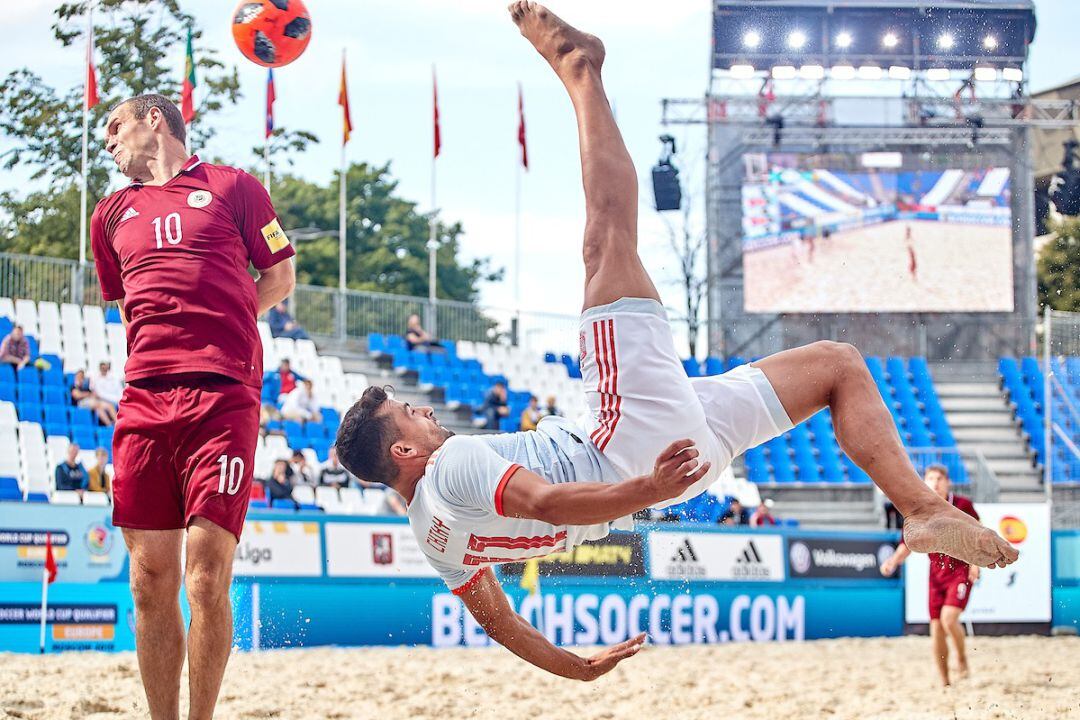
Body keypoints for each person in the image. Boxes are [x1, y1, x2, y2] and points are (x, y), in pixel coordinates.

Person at [334, 3, 1016, 682]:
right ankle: (578, 68)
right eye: (410, 415)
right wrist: (643, 486)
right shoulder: (450, 466)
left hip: (670, 453)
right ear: (403, 451)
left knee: (838, 366)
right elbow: (545, 503)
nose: (425, 412)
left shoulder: (433, 534)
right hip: (627, 446)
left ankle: (922, 513)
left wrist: (573, 668)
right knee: (605, 239)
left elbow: (496, 618)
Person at [91, 93, 295, 718]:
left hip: (223, 395)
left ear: (155, 118)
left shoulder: (234, 187)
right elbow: (129, 305)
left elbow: (280, 278)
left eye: (114, 125)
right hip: (145, 396)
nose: (107, 141)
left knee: (206, 579)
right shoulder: (109, 215)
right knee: (149, 581)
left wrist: (223, 322)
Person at [880, 465, 981, 686]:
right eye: (930, 479)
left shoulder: (962, 505)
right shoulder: (919, 510)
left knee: (948, 619)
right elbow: (907, 543)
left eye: (939, 479)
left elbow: (978, 533)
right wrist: (893, 561)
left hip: (960, 570)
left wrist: (975, 563)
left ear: (947, 483)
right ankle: (945, 682)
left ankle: (962, 657)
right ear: (924, 483)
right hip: (936, 574)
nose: (935, 483)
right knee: (936, 630)